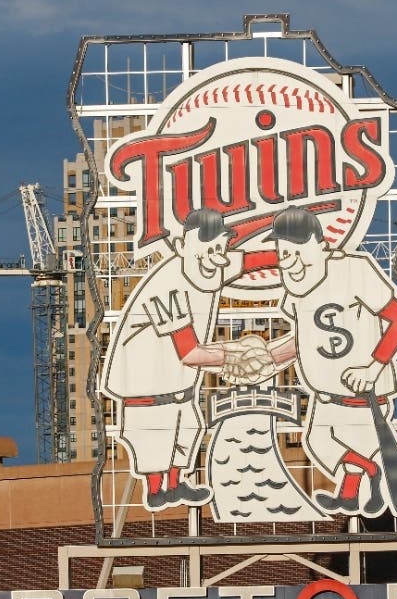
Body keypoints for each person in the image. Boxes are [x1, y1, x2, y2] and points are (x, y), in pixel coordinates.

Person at [100, 209, 272, 511]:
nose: (216, 256)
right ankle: (156, 490)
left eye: (220, 248)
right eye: (208, 248)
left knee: (188, 430)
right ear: (182, 247)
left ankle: (176, 485)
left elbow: (251, 261)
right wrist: (237, 355)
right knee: (154, 442)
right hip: (145, 388)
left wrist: (299, 255)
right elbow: (189, 352)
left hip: (178, 387)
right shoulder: (166, 284)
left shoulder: (208, 264)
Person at [263, 206, 397, 517]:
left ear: (321, 246)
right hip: (326, 392)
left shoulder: (354, 270)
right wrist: (268, 358)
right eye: (284, 254)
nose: (291, 262)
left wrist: (373, 368)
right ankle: (358, 487)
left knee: (340, 441)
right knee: (320, 442)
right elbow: (303, 339)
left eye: (297, 252)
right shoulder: (296, 288)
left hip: (362, 393)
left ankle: (367, 477)